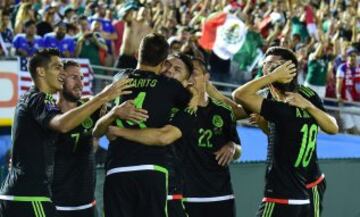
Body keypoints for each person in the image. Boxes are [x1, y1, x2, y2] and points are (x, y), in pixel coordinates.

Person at [0, 48, 132, 217]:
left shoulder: (39, 101)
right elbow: (62, 125)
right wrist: (103, 97)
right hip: (29, 195)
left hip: (33, 195)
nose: (61, 73)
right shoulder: (40, 98)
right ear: (41, 71)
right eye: (57, 67)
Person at [107, 57, 242, 217]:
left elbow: (238, 144)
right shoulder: (170, 107)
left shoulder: (222, 111)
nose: (191, 79)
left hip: (219, 194)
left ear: (207, 78)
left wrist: (232, 147)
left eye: (194, 73)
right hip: (181, 192)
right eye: (187, 74)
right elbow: (160, 136)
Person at [93, 33, 191, 217]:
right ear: (162, 63)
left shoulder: (119, 79)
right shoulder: (171, 86)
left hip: (117, 168)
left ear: (137, 55)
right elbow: (192, 101)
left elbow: (98, 130)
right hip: (152, 169)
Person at [232, 47, 338, 217]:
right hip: (292, 182)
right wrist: (263, 124)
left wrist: (309, 106)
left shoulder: (305, 94)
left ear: (291, 69)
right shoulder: (267, 96)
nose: (270, 68)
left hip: (309, 181)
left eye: (276, 65)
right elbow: (282, 134)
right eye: (266, 64)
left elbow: (333, 127)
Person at [52, 60, 146, 217]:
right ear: (60, 79)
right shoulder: (48, 112)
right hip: (55, 203)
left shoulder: (92, 106)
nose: (80, 83)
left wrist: (115, 113)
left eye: (81, 78)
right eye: (74, 77)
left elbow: (110, 132)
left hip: (87, 203)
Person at [114, 3, 152, 70]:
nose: (144, 13)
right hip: (124, 57)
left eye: (146, 12)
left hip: (136, 60)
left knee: (133, 80)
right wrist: (131, 6)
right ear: (138, 11)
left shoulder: (149, 29)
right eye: (143, 11)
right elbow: (124, 16)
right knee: (117, 79)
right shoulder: (131, 22)